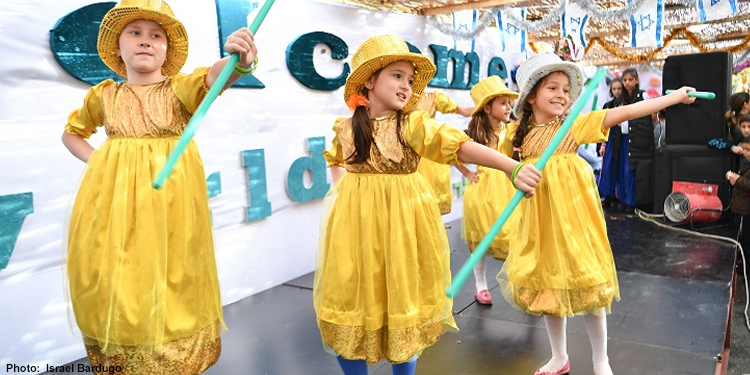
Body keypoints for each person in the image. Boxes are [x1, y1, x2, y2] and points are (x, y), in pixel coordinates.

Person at [314, 34, 541, 375]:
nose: (406, 85)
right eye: (396, 75)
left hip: (402, 223)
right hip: (355, 225)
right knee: (352, 299)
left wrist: (511, 167)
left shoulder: (412, 123)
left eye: (409, 79)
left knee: (403, 297)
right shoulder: (346, 127)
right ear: (370, 80)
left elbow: (457, 146)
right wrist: (342, 192)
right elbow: (335, 158)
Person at [61, 0, 258, 373]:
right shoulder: (104, 95)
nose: (145, 41)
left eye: (156, 35)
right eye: (134, 33)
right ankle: (126, 347)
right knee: (120, 277)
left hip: (170, 209)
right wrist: (101, 163)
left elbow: (215, 78)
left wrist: (239, 61)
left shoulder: (178, 90)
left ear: (167, 51)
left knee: (172, 277)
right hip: (115, 207)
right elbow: (73, 134)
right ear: (118, 48)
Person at [496, 52, 695, 375]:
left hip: (575, 220)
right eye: (552, 88)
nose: (561, 95)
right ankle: (559, 357)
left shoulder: (574, 126)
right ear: (531, 95)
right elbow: (508, 167)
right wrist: (518, 176)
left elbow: (628, 111)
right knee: (549, 286)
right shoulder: (515, 134)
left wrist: (672, 98)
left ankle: (600, 359)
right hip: (540, 221)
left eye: (565, 89)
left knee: (589, 283)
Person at [455, 75, 519, 305]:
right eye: (502, 103)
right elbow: (452, 152)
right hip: (482, 192)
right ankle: (480, 284)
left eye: (508, 103)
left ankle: (518, 281)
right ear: (487, 107)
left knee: (514, 236)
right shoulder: (473, 133)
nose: (507, 107)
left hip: (507, 187)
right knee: (480, 239)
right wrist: (467, 173)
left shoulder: (512, 130)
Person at [598, 68, 651, 213]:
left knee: (630, 171)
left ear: (637, 80)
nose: (627, 83)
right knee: (619, 170)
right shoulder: (619, 101)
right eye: (625, 80)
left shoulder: (642, 95)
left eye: (630, 80)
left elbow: (646, 119)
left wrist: (626, 125)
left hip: (635, 139)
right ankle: (621, 198)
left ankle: (631, 201)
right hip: (620, 139)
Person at [414, 90, 474, 214]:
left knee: (431, 212)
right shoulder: (399, 100)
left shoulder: (432, 97)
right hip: (410, 161)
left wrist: (485, 105)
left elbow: (464, 111)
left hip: (431, 161)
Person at [726, 135, 750, 256]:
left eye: (748, 150)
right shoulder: (745, 162)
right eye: (744, 149)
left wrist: (737, 180)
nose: (745, 152)